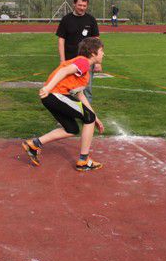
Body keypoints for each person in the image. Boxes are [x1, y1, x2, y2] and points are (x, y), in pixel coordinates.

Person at [22, 37, 105, 171]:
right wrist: (48, 88)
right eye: (101, 51)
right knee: (88, 118)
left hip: (52, 97)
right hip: (55, 95)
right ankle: (83, 161)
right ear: (93, 52)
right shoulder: (83, 62)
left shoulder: (85, 70)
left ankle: (34, 144)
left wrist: (95, 117)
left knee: (72, 129)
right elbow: (64, 71)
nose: (103, 54)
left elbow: (80, 95)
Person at [56, 0, 100, 102]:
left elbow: (96, 41)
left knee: (87, 89)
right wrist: (62, 60)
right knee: (68, 88)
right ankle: (69, 112)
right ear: (74, 4)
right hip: (70, 61)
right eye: (80, 5)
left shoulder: (91, 20)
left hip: (87, 61)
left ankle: (86, 114)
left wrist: (98, 62)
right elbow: (61, 40)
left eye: (84, 6)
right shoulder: (66, 19)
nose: (82, 8)